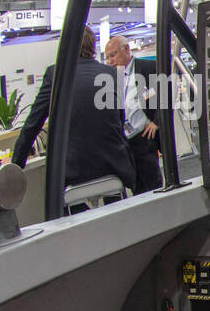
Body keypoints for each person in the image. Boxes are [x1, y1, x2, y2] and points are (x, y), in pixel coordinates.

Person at [12, 29, 136, 193]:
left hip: (73, 171)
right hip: (114, 165)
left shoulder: (55, 74)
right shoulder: (113, 73)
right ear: (93, 46)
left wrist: (16, 164)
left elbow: (33, 123)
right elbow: (119, 122)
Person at [104, 36, 163, 193]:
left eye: (112, 55)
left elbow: (167, 93)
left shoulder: (148, 67)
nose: (110, 61)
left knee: (152, 185)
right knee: (136, 188)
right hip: (126, 141)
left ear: (126, 49)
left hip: (145, 136)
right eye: (107, 57)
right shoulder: (112, 77)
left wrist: (157, 121)